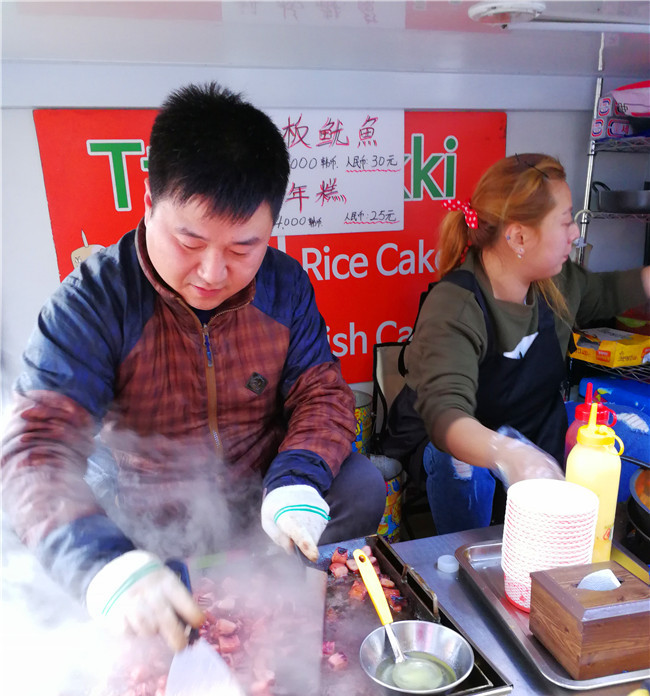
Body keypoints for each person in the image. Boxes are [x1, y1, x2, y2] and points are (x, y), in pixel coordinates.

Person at [1, 82, 386, 651]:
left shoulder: (283, 286)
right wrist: (103, 564)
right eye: (190, 240)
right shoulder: (95, 302)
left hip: (255, 490)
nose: (211, 272)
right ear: (149, 200)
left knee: (359, 483)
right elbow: (37, 448)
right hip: (146, 504)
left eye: (241, 250)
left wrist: (295, 480)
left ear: (271, 231)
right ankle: (147, 593)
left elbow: (322, 394)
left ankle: (293, 609)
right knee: (36, 530)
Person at [383, 153, 650, 535]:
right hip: (464, 451)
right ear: (518, 236)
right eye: (565, 220)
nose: (575, 233)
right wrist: (508, 454)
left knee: (636, 431)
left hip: (535, 435)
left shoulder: (556, 284)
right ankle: (464, 562)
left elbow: (608, 291)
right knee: (462, 467)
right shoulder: (456, 305)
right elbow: (446, 415)